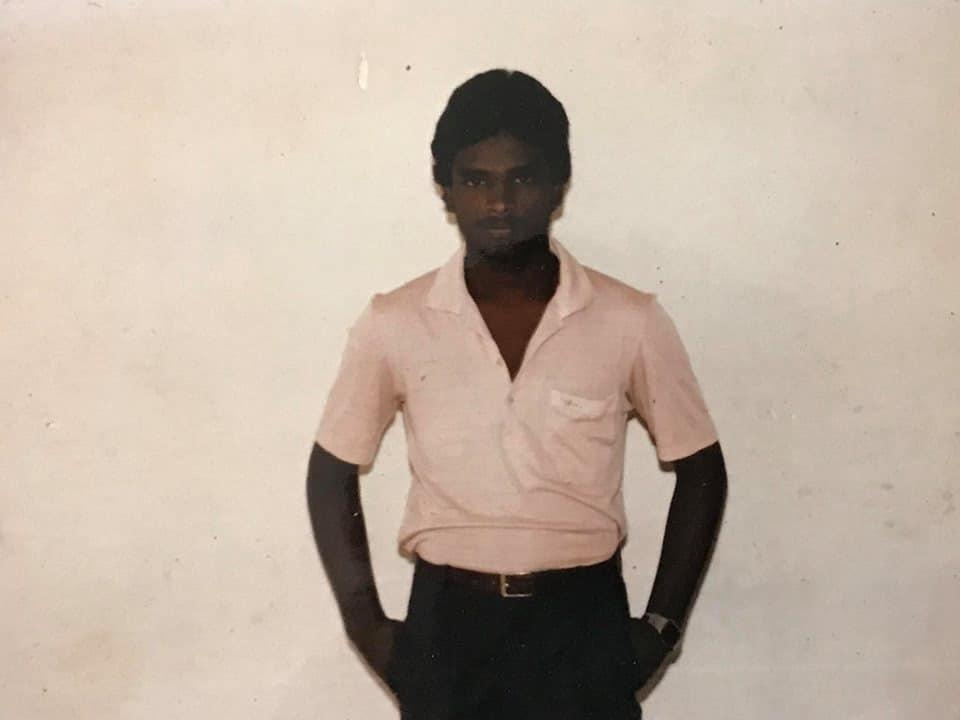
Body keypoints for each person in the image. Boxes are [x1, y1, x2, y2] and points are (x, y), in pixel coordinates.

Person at [306, 68, 727, 720]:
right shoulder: (395, 321)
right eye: (476, 180)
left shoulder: (629, 319)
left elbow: (702, 470)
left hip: (582, 626)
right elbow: (331, 470)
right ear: (446, 188)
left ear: (559, 183)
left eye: (522, 178)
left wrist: (660, 629)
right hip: (448, 628)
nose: (499, 202)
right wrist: (367, 627)